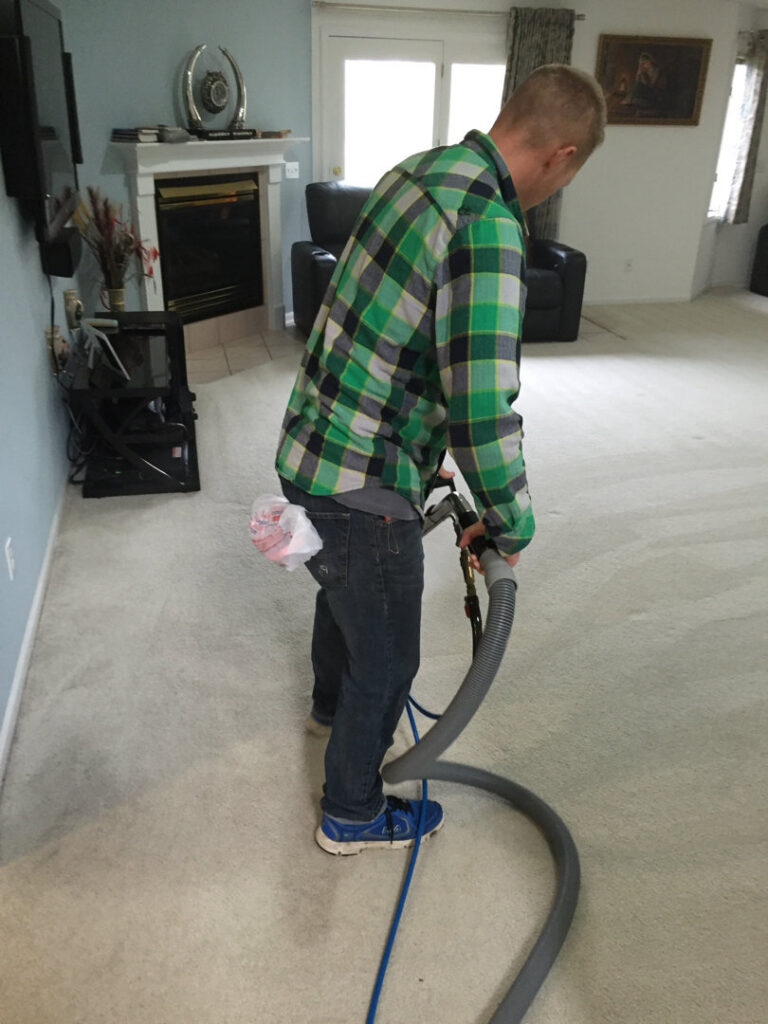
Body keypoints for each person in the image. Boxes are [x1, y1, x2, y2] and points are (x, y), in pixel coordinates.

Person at [275, 63, 606, 855]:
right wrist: (511, 520)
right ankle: (351, 811)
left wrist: (425, 462)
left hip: (309, 447)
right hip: (362, 479)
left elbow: (383, 335)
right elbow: (482, 409)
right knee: (390, 657)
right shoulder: (490, 225)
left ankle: (328, 706)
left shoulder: (415, 172)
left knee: (342, 589)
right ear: (561, 156)